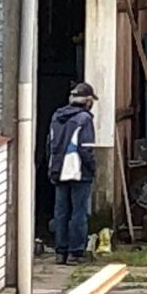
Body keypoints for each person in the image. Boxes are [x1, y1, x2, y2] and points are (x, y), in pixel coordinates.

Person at [47, 82, 98, 265]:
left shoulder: (56, 117)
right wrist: (93, 168)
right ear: (88, 101)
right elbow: (86, 149)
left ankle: (60, 252)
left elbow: (49, 144)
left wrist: (52, 168)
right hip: (78, 171)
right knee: (79, 213)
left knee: (61, 212)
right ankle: (75, 253)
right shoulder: (85, 119)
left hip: (59, 169)